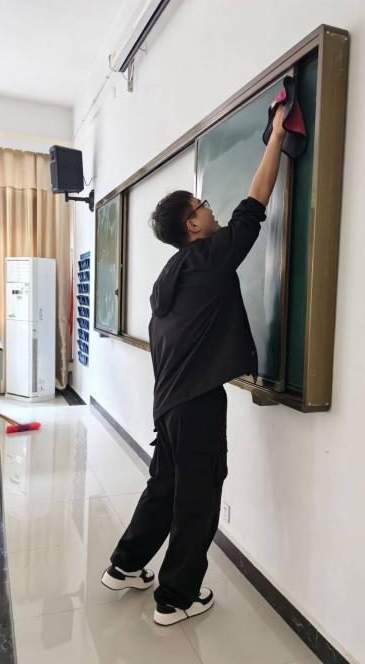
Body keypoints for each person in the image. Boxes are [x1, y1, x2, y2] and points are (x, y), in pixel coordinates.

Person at [101, 106, 286, 626]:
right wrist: (275, 135)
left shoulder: (171, 273)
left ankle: (125, 566)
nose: (211, 209)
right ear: (192, 224)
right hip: (196, 403)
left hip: (167, 405)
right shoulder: (210, 258)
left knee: (165, 486)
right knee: (198, 499)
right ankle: (176, 598)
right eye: (203, 206)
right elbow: (255, 204)